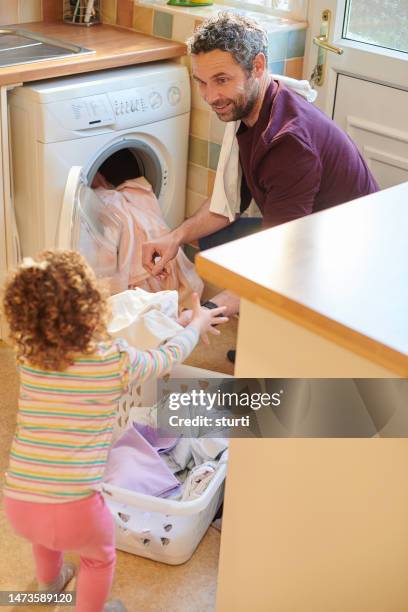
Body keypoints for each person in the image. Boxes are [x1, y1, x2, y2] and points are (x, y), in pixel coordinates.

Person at [2, 250, 227, 612]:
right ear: (92, 306)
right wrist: (195, 325)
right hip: (77, 508)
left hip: (19, 501)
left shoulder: (28, 360)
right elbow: (165, 359)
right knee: (97, 558)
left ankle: (49, 585)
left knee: (45, 539)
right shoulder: (111, 359)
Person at [142, 12, 379, 326]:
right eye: (202, 82)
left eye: (222, 80)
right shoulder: (255, 107)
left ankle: (283, 333)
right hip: (312, 237)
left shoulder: (288, 144)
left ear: (257, 66)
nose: (211, 97)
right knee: (215, 241)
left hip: (347, 266)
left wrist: (201, 315)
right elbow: (225, 207)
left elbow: (281, 260)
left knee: (239, 268)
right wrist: (174, 238)